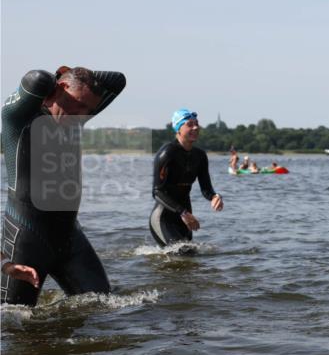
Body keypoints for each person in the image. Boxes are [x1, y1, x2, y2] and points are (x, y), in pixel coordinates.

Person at [1, 67, 126, 306]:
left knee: (101, 305)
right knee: (13, 319)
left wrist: (71, 76)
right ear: (61, 89)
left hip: (69, 236)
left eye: (87, 110)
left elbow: (118, 80)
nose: (82, 115)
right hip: (26, 235)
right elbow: (36, 79)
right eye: (78, 105)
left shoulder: (75, 119)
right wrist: (56, 80)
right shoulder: (18, 119)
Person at [149, 109, 224, 247]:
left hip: (185, 216)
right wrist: (183, 212)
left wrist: (214, 196)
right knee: (180, 254)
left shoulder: (200, 155)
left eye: (196, 124)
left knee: (189, 255)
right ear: (178, 129)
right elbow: (157, 192)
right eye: (190, 124)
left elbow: (206, 188)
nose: (195, 127)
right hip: (163, 217)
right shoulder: (167, 153)